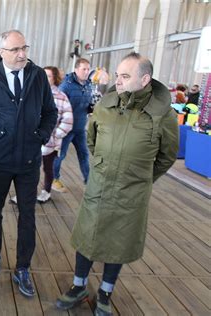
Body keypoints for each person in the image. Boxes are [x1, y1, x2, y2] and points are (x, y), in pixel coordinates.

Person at [56, 52, 178, 316]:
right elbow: (91, 140)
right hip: (99, 186)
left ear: (145, 79)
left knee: (118, 243)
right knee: (87, 237)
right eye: (118, 74)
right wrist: (101, 168)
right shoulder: (105, 105)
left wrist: (142, 178)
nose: (118, 81)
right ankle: (78, 287)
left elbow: (167, 156)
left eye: (125, 76)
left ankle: (105, 293)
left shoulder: (162, 115)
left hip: (131, 194)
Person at [0, 30, 57, 297]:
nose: (22, 54)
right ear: (2, 53)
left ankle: (23, 267)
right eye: (15, 50)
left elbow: (50, 112)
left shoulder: (37, 75)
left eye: (24, 48)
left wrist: (39, 137)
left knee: (28, 215)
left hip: (29, 159)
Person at [11, 66, 73, 203]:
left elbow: (68, 121)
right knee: (27, 168)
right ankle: (24, 194)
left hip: (50, 142)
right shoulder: (31, 93)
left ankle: (46, 192)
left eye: (49, 76)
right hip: (30, 140)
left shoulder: (61, 97)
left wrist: (55, 134)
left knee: (47, 167)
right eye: (43, 75)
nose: (45, 79)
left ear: (55, 78)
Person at [52, 58, 92, 193]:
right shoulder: (66, 85)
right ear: (76, 70)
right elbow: (59, 106)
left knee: (84, 155)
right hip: (67, 128)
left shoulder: (88, 85)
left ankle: (89, 181)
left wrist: (91, 107)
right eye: (83, 69)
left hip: (80, 128)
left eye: (88, 69)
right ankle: (54, 179)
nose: (86, 72)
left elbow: (87, 104)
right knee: (60, 155)